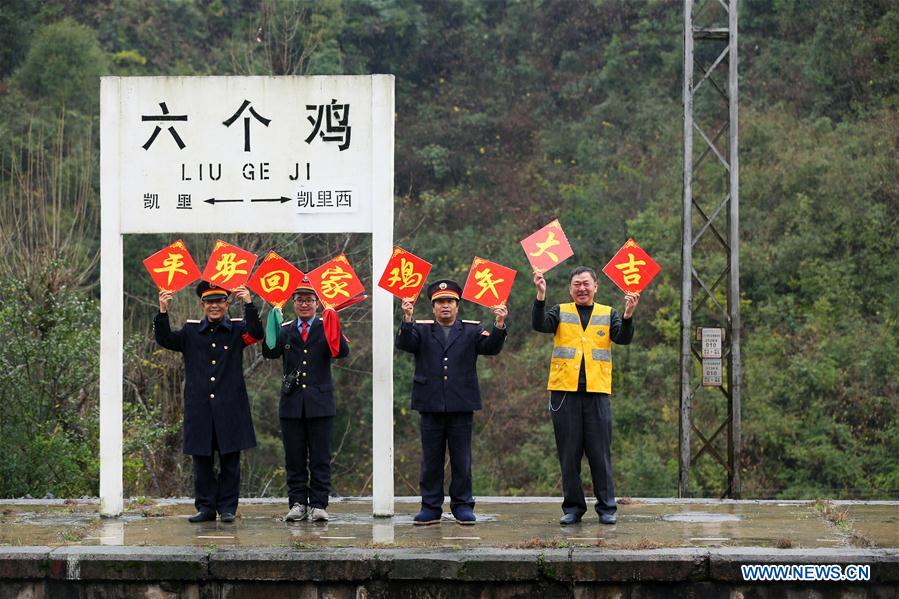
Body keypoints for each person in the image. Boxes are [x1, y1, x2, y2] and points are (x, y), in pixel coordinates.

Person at [395, 279, 508, 525]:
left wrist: (499, 323)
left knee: (461, 459)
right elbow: (405, 344)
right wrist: (406, 318)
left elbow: (490, 348)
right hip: (430, 404)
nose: (445, 306)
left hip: (461, 404)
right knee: (431, 460)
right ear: (433, 307)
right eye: (440, 302)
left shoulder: (471, 330)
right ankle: (430, 506)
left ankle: (462, 505)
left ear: (457, 306)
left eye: (450, 302)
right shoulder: (421, 329)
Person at [532, 266, 639, 525]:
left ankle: (607, 509)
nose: (582, 288)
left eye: (586, 284)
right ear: (570, 289)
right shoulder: (560, 311)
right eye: (577, 284)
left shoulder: (608, 313)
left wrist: (627, 315)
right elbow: (539, 325)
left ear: (595, 287)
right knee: (569, 454)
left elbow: (623, 339)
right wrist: (540, 295)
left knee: (600, 454)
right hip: (564, 393)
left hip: (597, 392)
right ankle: (573, 508)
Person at [155, 281, 263, 523]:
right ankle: (205, 507)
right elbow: (166, 339)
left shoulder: (237, 330)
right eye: (209, 302)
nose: (214, 306)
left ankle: (227, 508)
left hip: (230, 407)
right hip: (200, 407)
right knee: (202, 460)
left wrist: (249, 302)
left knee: (230, 461)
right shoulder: (191, 331)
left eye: (219, 301)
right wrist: (163, 310)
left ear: (227, 303)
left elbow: (257, 334)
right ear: (202, 304)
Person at [261, 279, 349, 523]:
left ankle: (319, 504)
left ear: (317, 303)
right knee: (295, 458)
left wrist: (334, 322)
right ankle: (298, 503)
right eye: (299, 299)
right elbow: (269, 352)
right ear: (293, 302)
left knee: (320, 457)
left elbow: (341, 352)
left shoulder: (326, 325)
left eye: (309, 300)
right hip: (292, 404)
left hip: (320, 403)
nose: (304, 304)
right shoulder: (287, 328)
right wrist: (272, 322)